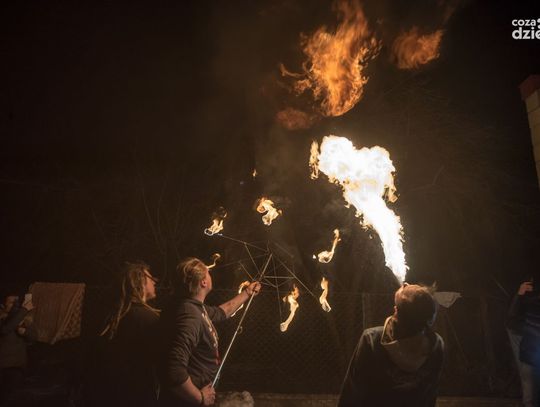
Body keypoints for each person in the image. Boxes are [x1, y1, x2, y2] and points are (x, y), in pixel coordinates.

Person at [157, 257, 261, 406]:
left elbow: (222, 311)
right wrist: (199, 397)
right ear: (203, 282)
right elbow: (174, 369)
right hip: (187, 401)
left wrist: (247, 293)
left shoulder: (195, 307)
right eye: (208, 273)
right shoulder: (190, 315)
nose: (211, 274)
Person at [338, 284, 444, 407]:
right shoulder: (436, 345)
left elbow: (353, 391)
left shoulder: (372, 339)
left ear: (396, 311)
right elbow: (430, 394)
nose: (405, 284)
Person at [93, 261, 160, 407]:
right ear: (140, 282)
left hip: (112, 394)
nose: (155, 281)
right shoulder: (148, 319)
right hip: (139, 396)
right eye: (151, 278)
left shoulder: (114, 317)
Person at [507, 278, 540, 407]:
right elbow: (511, 321)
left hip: (531, 355)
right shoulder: (531, 310)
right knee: (530, 392)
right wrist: (519, 295)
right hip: (530, 356)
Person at [0, 294, 35, 404]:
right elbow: (5, 329)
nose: (15, 305)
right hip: (2, 366)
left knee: (11, 400)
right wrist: (24, 310)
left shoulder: (24, 318)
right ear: (3, 305)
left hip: (17, 367)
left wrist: (25, 332)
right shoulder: (2, 318)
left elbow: (34, 337)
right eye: (11, 302)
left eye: (17, 302)